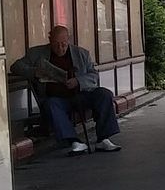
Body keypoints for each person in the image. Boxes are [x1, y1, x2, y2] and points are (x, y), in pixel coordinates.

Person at [12, 25, 121, 154]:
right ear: (50, 40)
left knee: (104, 94)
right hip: (57, 98)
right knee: (51, 104)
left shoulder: (81, 53)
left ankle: (103, 139)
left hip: (81, 95)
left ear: (68, 40)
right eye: (56, 44)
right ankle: (74, 141)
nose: (60, 48)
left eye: (63, 44)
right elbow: (16, 66)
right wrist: (35, 72)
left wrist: (78, 81)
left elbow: (93, 75)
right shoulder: (36, 53)